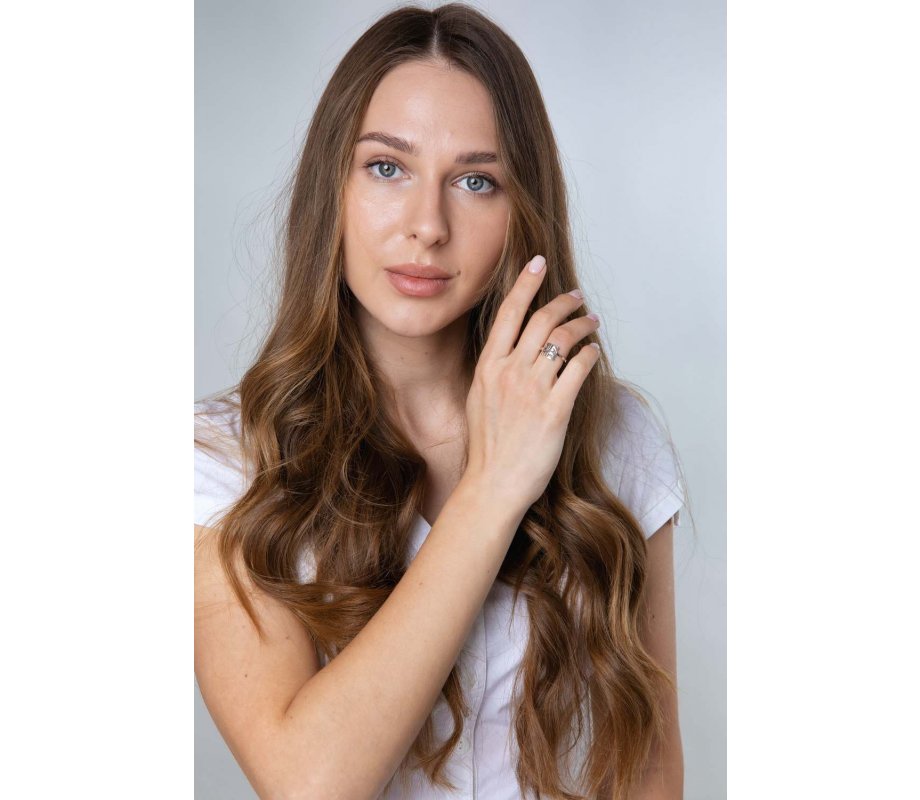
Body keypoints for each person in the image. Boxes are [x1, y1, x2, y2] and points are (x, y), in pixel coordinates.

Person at [195, 4, 687, 798]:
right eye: (387, 168)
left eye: (475, 180)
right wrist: (494, 488)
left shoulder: (612, 435)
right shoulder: (224, 464)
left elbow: (651, 770)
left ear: (520, 211)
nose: (427, 225)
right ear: (334, 188)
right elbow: (309, 784)